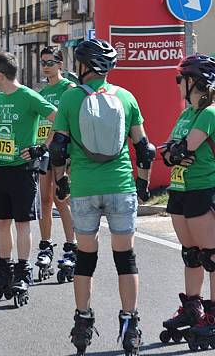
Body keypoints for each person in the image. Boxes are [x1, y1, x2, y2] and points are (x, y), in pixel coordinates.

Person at [50, 39, 155, 355]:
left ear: (83, 67)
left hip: (85, 188)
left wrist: (61, 182)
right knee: (126, 259)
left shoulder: (69, 99)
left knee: (85, 259)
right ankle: (130, 324)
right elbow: (145, 150)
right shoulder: (126, 97)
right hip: (121, 184)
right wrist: (142, 185)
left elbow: (57, 150)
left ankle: (83, 322)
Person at [0, 51, 56, 307]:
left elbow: (59, 119)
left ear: (0, 75)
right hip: (1, 167)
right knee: (2, 222)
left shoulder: (29, 97)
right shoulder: (1, 98)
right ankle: (5, 268)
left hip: (23, 170)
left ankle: (23, 270)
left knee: (22, 223)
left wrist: (41, 147)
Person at [160, 54, 215, 350]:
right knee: (191, 254)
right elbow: (168, 153)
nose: (179, 84)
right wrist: (174, 152)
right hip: (180, 188)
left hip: (204, 187)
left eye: (182, 78)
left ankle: (214, 315)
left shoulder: (209, 113)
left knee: (211, 256)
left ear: (196, 81)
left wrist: (175, 152)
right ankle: (193, 307)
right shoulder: (186, 115)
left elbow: (180, 150)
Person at [35, 47, 77, 281]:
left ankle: (72, 246)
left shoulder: (68, 88)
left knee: (62, 201)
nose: (46, 66)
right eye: (43, 62)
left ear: (60, 64)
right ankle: (46, 246)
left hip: (62, 152)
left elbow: (67, 119)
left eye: (51, 62)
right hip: (43, 152)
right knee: (44, 201)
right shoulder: (42, 92)